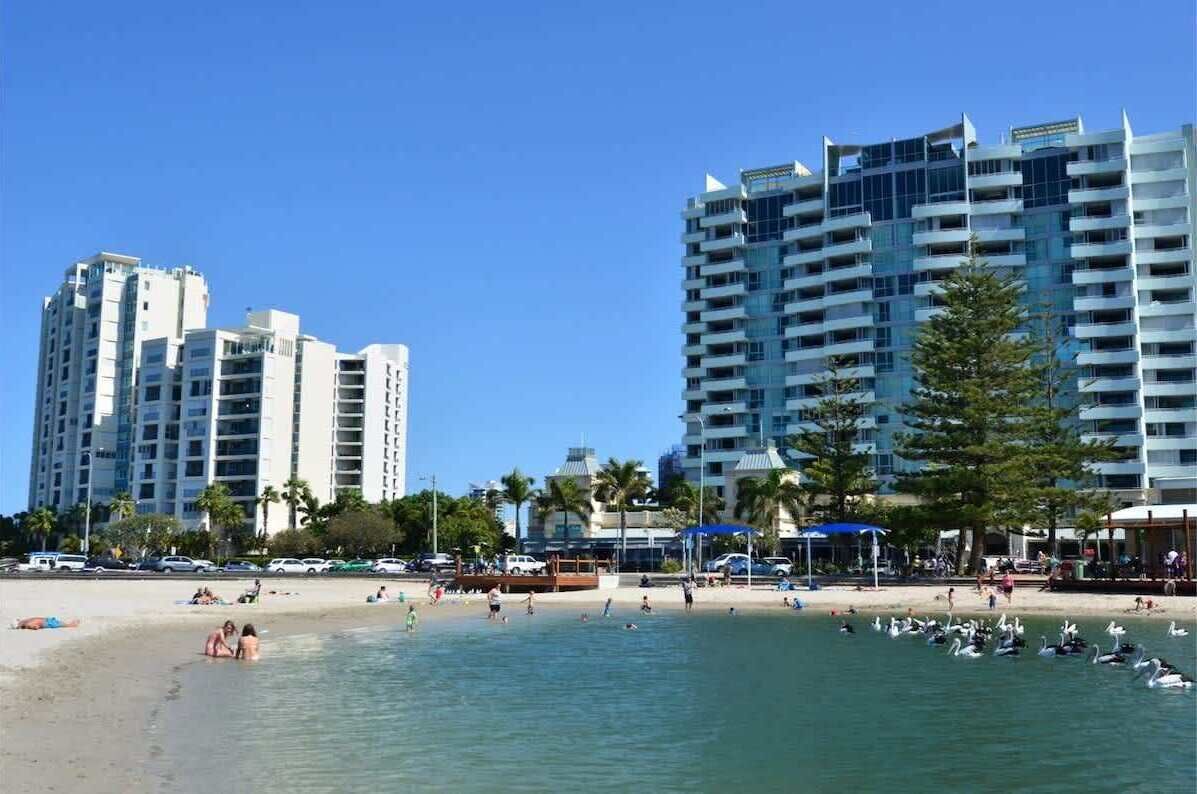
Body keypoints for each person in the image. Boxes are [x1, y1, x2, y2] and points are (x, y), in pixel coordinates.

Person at [11, 616, 80, 630]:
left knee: (64, 624)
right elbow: (36, 626)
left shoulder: (27, 623)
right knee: (63, 624)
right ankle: (74, 623)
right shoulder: (26, 622)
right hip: (46, 621)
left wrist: (29, 627)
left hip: (47, 622)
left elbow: (36, 626)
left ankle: (73, 624)